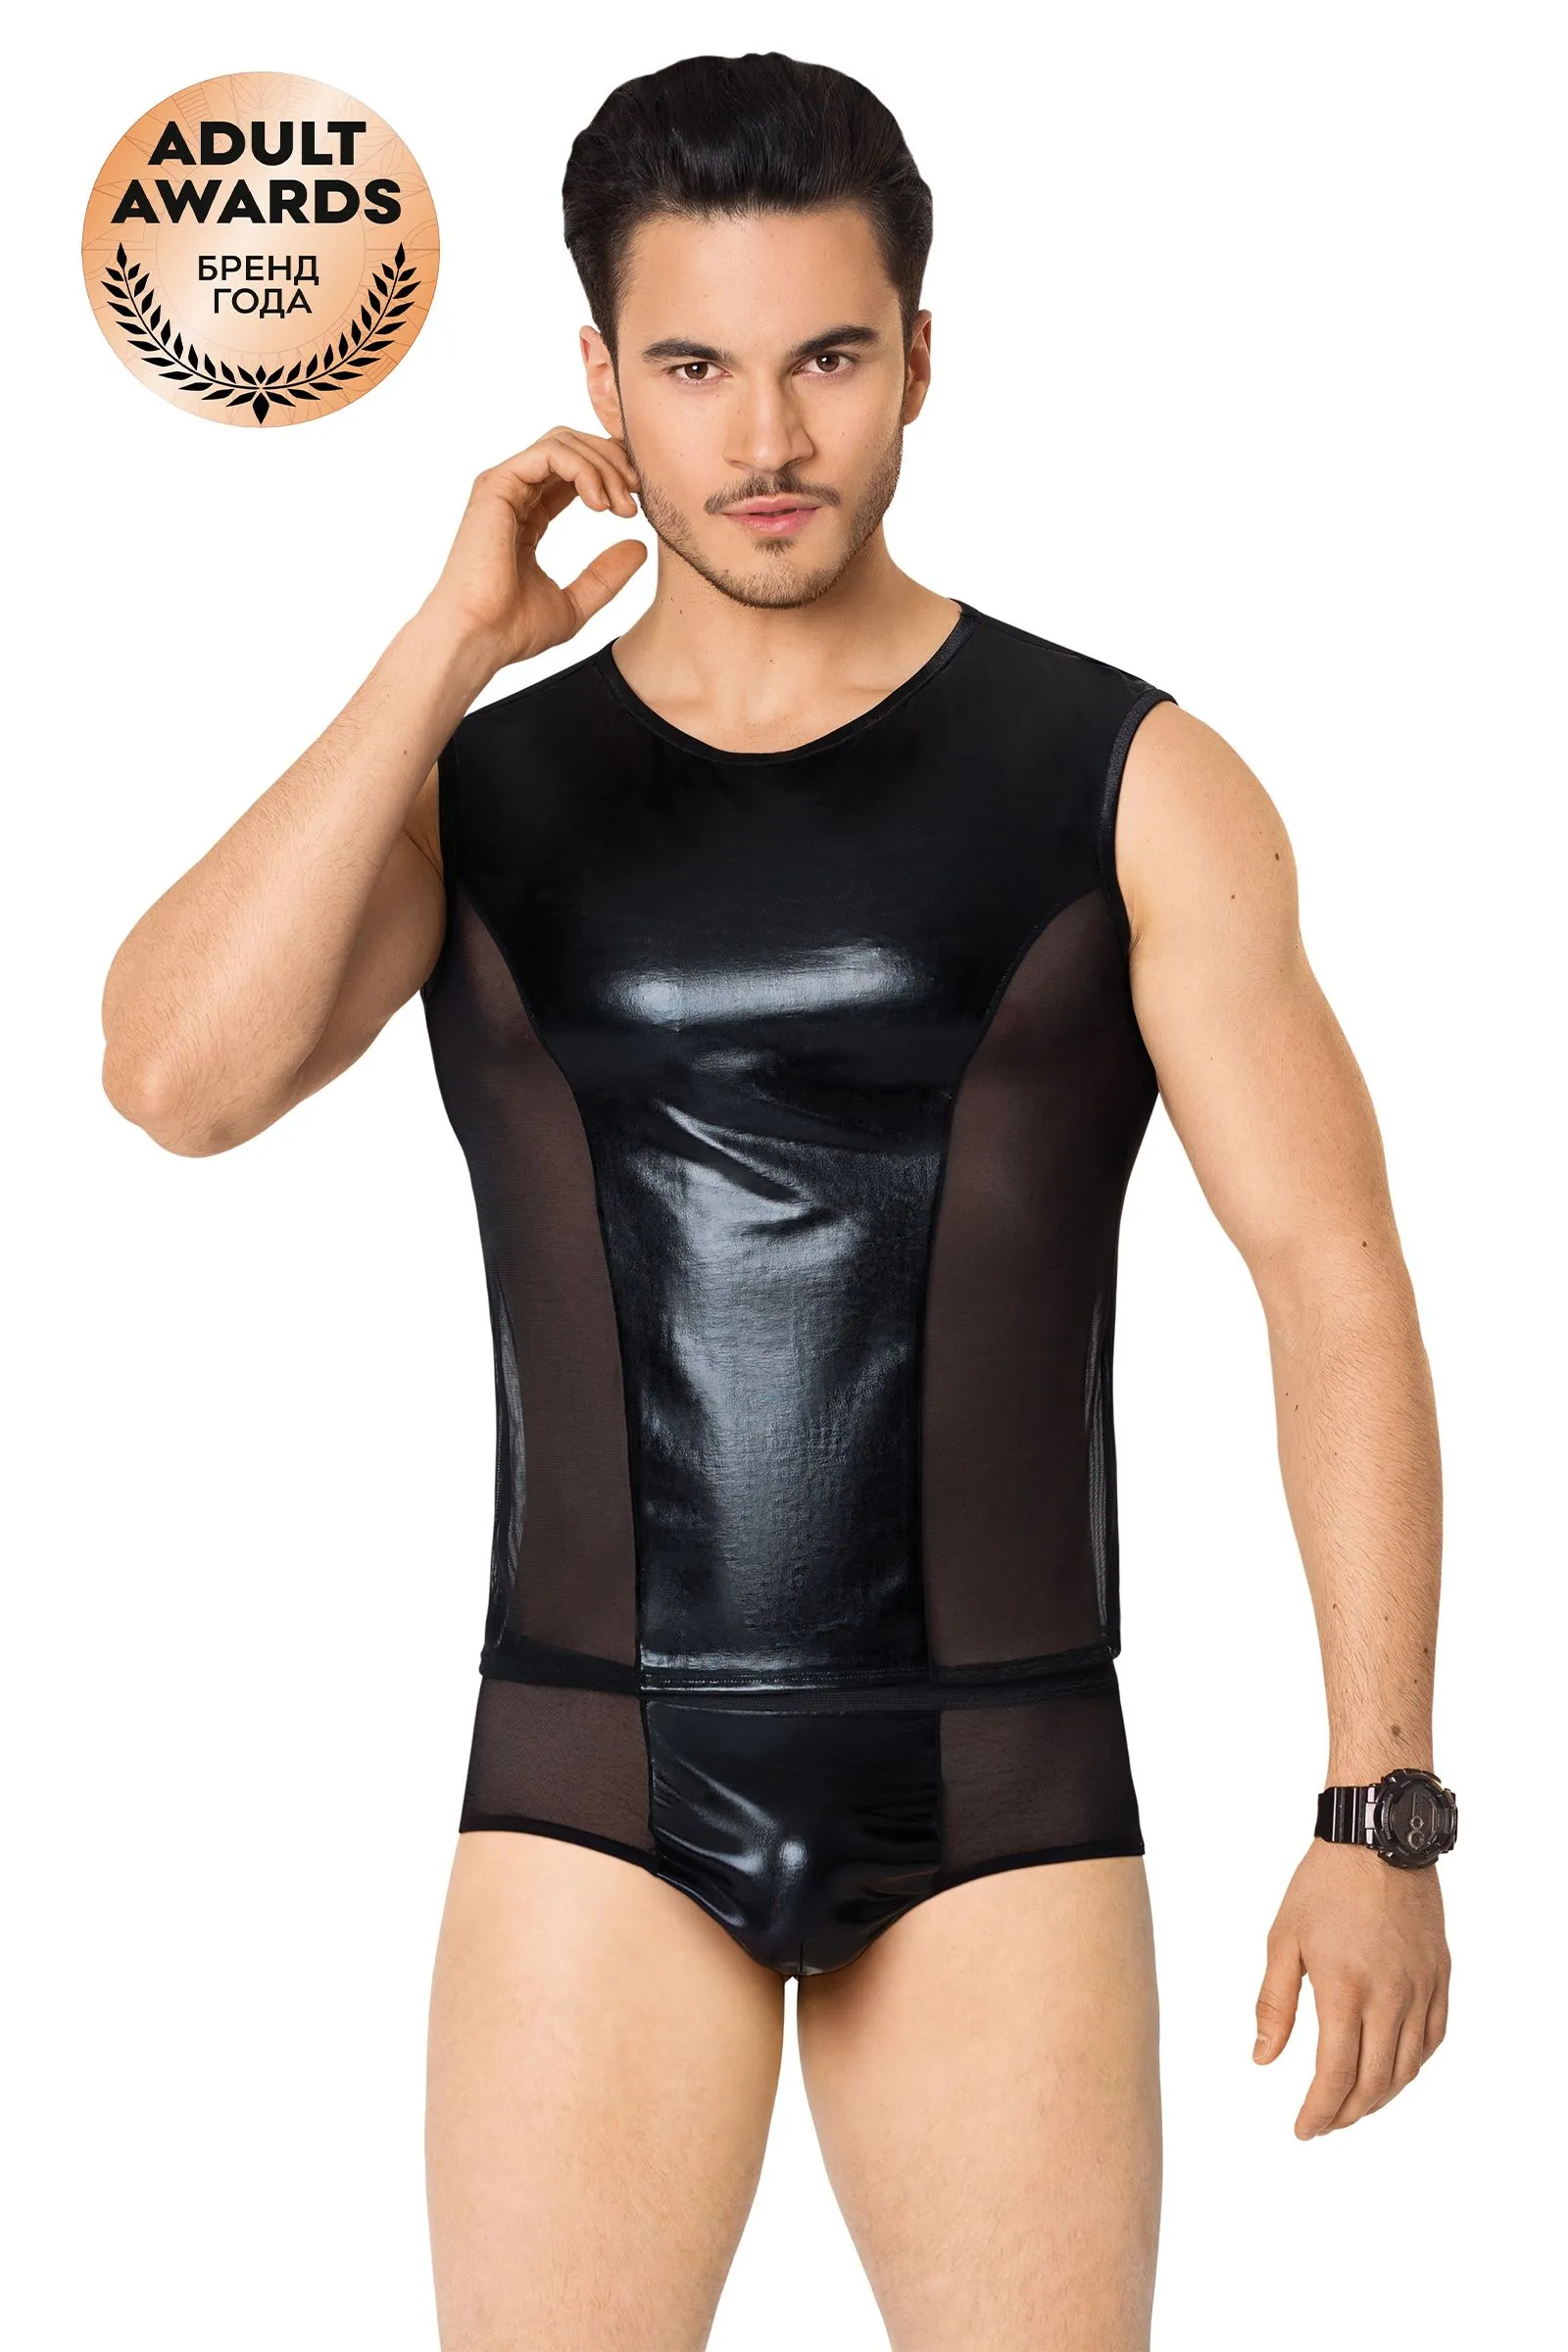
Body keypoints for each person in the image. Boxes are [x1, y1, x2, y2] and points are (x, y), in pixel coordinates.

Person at [100, 49, 1455, 2352]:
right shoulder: (477, 793)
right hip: (588, 1786)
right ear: (597, 382)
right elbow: (170, 1077)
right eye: (693, 368)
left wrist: (1378, 1809)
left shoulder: (1125, 779)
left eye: (824, 359)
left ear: (918, 356)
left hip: (1000, 1784)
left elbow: (1330, 1283)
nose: (762, 439)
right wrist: (442, 648)